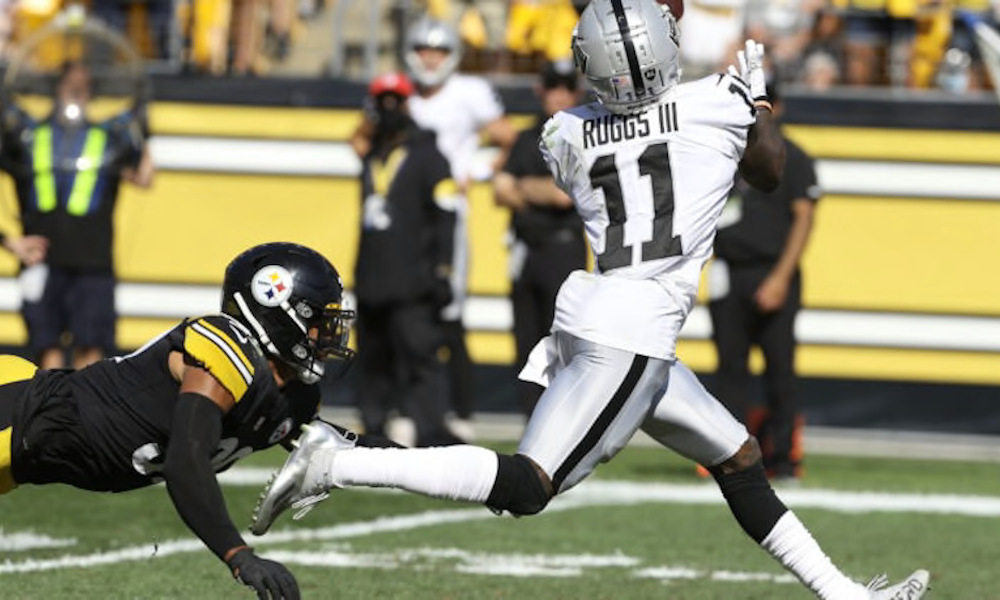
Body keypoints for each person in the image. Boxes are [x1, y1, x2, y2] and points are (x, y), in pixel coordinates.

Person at [252, 2, 929, 598]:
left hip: (603, 313)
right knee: (528, 486)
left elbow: (619, 120)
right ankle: (337, 461)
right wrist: (755, 105)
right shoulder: (718, 99)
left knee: (739, 456)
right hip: (632, 333)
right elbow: (770, 171)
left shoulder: (564, 132)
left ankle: (844, 594)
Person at [0, 241, 373, 600]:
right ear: (277, 311)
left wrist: (425, 461)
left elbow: (343, 448)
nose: (326, 335)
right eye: (318, 321)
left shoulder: (293, 397)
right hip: (12, 412)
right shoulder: (226, 351)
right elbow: (186, 459)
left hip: (22, 457)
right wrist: (237, 555)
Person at [352, 16, 517, 441]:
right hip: (404, 221)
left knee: (444, 313)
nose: (429, 58)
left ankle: (455, 412)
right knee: (395, 321)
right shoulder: (402, 96)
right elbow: (359, 138)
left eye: (438, 51)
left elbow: (509, 138)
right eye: (423, 50)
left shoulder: (469, 93)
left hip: (446, 214)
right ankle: (403, 412)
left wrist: (474, 171)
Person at [0, 61, 155, 371]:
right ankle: (48, 419)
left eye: (82, 86)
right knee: (48, 357)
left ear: (90, 94)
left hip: (92, 266)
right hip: (40, 261)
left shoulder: (108, 138)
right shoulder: (28, 137)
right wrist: (9, 241)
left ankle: (86, 420)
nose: (75, 91)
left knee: (92, 357)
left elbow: (145, 177)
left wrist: (144, 132)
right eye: (70, 83)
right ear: (56, 88)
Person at [708, 83, 820, 483]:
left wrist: (780, 277)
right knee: (730, 371)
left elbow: (804, 217)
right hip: (729, 271)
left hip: (773, 271)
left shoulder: (794, 156)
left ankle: (785, 459)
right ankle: (731, 459)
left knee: (780, 372)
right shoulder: (727, 154)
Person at [353, 71, 466, 448]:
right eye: (380, 101)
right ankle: (372, 433)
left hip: (414, 282)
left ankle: (431, 432)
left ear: (407, 104)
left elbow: (447, 216)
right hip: (373, 281)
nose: (387, 109)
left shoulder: (429, 155)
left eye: (394, 100)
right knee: (372, 365)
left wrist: (443, 269)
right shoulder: (372, 154)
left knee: (421, 361)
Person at [493, 60, 587, 418]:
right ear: (540, 90)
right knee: (526, 343)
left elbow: (565, 195)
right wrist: (537, 190)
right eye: (552, 87)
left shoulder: (584, 132)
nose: (559, 95)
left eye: (566, 88)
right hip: (526, 249)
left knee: (563, 341)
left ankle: (563, 420)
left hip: (563, 250)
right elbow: (500, 191)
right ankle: (531, 421)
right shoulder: (525, 136)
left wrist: (522, 186)